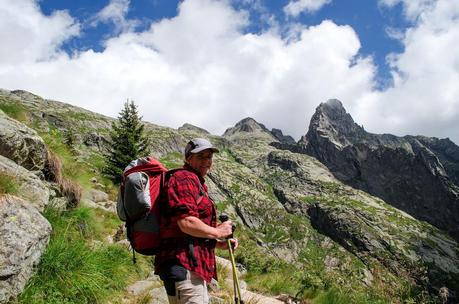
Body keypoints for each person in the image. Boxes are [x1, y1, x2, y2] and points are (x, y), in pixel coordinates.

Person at [155, 138, 238, 304]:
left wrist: (217, 243)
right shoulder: (185, 178)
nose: (207, 161)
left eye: (209, 157)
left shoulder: (195, 181)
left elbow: (188, 232)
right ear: (188, 158)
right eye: (201, 157)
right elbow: (186, 222)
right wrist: (219, 232)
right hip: (184, 266)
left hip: (187, 266)